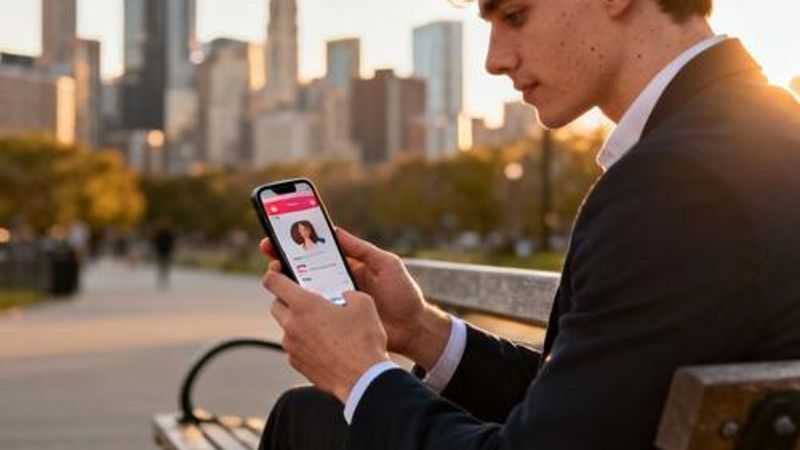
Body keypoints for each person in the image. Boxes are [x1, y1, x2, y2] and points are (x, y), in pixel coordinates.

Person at [257, 0, 800, 448]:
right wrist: (422, 331)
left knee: (308, 422)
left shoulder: (675, 184)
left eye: (514, 16)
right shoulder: (764, 129)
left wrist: (360, 374)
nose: (494, 60)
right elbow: (588, 405)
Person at [152, 220, 176, 289]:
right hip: (160, 251)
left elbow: (172, 241)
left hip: (167, 250)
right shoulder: (159, 233)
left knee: (166, 265)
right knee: (161, 264)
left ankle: (165, 276)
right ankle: (161, 276)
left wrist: (171, 249)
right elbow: (155, 241)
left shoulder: (169, 233)